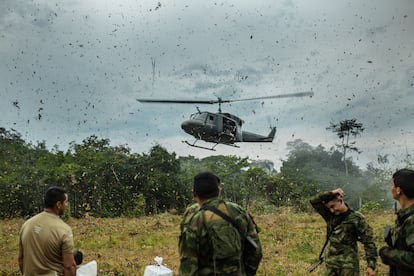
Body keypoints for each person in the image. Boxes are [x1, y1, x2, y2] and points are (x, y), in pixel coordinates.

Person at [179, 172, 262, 275]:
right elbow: (256, 251)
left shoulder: (194, 219)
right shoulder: (239, 211)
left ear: (194, 194)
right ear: (219, 191)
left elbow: (188, 264)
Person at [310, 188, 377, 276]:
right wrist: (331, 193)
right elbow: (313, 201)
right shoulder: (330, 216)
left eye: (333, 206)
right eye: (329, 208)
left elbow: (369, 242)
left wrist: (371, 266)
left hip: (348, 267)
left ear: (340, 201)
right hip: (331, 265)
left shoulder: (357, 218)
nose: (332, 210)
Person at [18, 186, 76, 276]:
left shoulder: (26, 225)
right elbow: (69, 266)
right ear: (58, 205)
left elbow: (21, 258)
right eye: (66, 202)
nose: (67, 205)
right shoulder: (63, 229)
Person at [380, 168, 414, 275]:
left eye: (392, 185)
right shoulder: (403, 215)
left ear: (398, 190)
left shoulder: (412, 219)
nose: (391, 189)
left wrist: (388, 254)